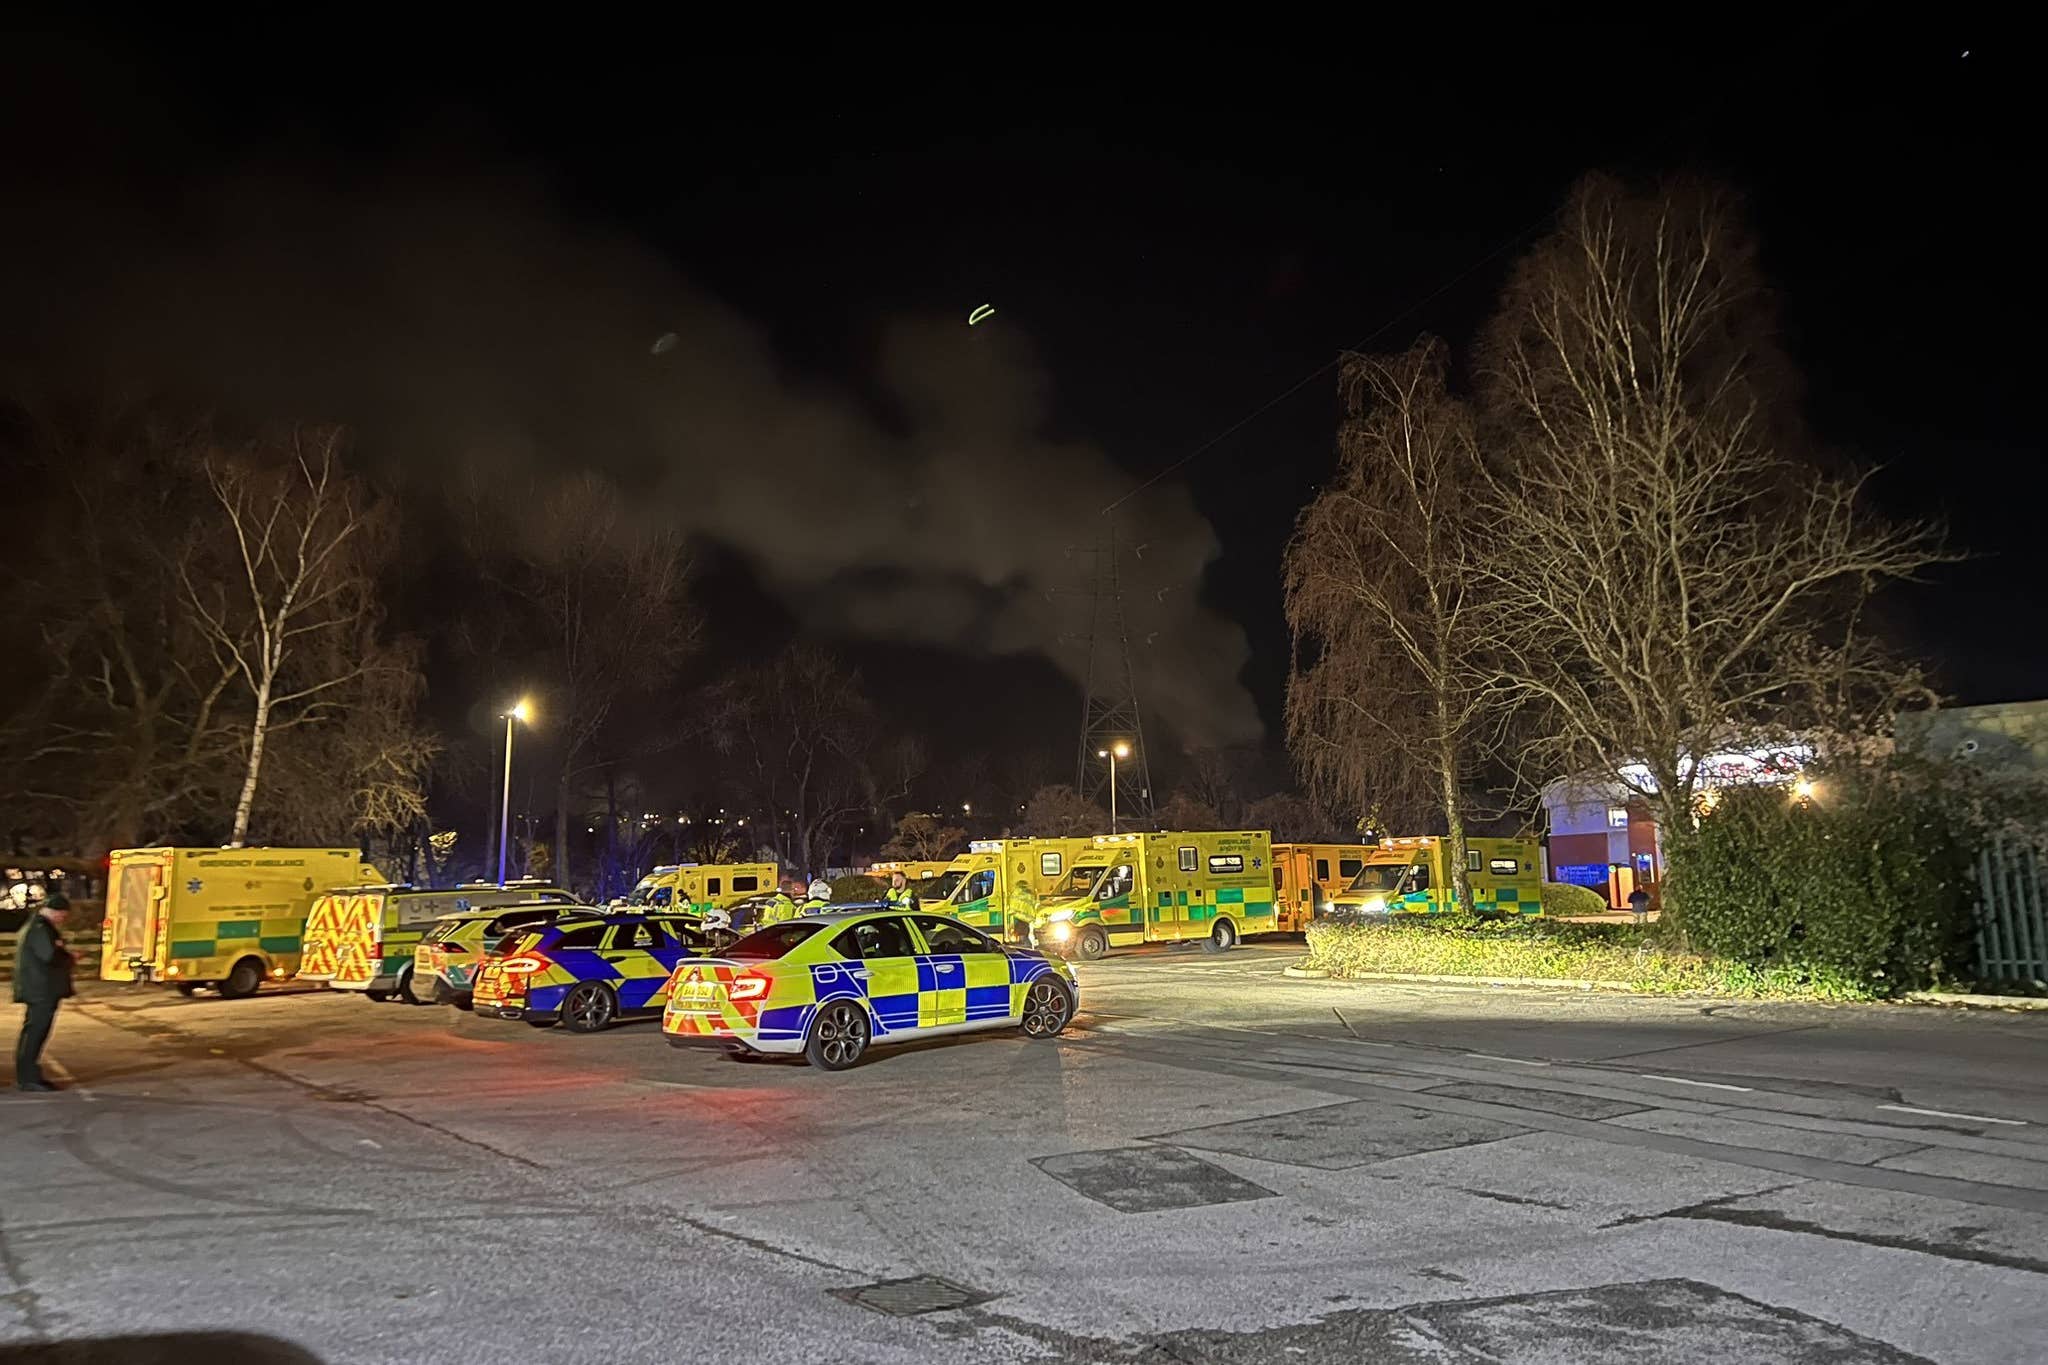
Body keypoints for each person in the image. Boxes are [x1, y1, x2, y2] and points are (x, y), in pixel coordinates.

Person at [13, 886, 75, 1092]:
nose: (62, 920)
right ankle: (29, 1077)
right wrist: (69, 957)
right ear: (55, 911)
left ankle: (28, 1075)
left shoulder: (36, 926)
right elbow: (49, 956)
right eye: (62, 915)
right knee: (36, 1032)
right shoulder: (40, 928)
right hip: (41, 989)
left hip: (38, 988)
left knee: (34, 1032)